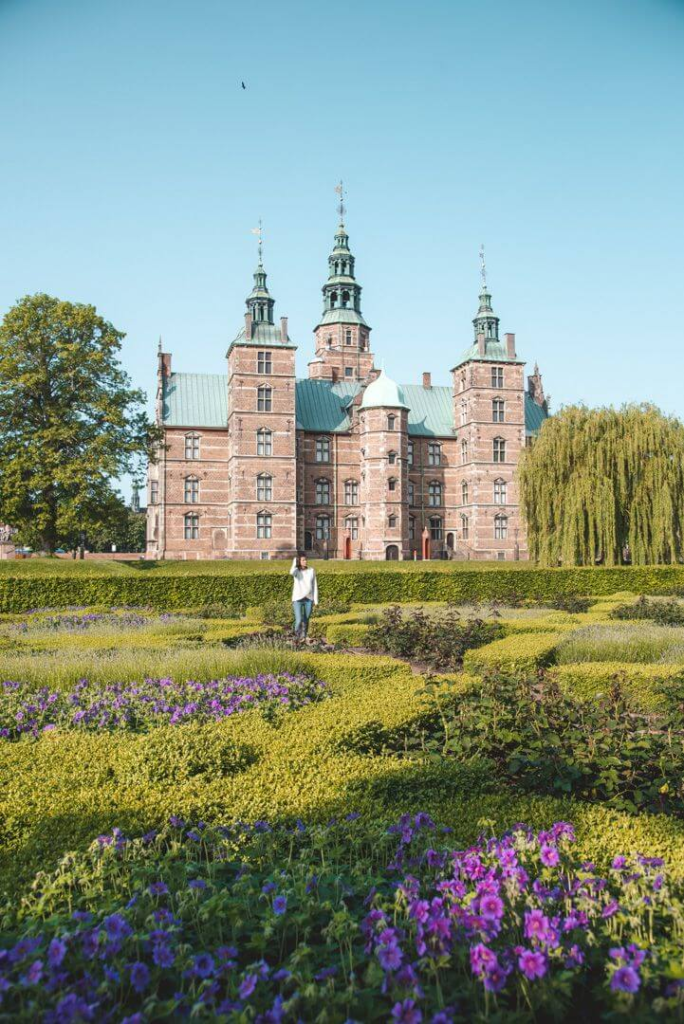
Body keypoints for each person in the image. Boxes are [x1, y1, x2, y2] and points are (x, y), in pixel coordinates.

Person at [290, 551, 318, 639]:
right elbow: (291, 572)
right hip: (297, 599)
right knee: (298, 620)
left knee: (306, 620)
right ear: (299, 561)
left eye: (306, 560)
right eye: (303, 560)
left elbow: (314, 585)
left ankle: (304, 636)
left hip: (309, 599)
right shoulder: (296, 572)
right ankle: (296, 637)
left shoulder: (311, 570)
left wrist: (316, 600)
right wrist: (295, 561)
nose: (305, 561)